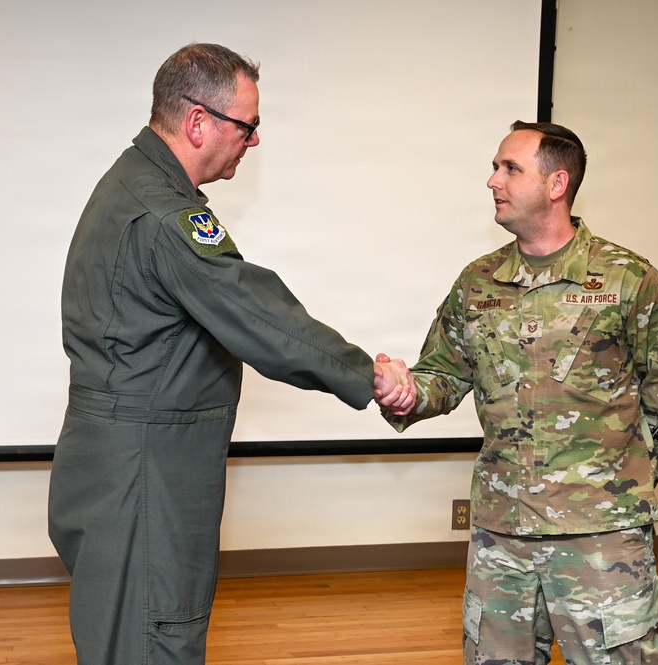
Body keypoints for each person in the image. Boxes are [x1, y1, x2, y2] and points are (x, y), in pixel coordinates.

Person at [47, 43, 412, 665]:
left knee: (126, 634)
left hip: (117, 458)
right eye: (248, 125)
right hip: (145, 469)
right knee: (154, 637)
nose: (255, 140)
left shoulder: (129, 183)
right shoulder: (165, 215)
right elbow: (257, 314)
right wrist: (367, 374)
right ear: (198, 121)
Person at [381, 121, 658, 665]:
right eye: (495, 167)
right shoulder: (478, 282)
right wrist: (405, 391)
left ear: (557, 184)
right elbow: (445, 374)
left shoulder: (627, 279)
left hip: (599, 536)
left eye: (510, 168)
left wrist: (617, 479)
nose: (493, 180)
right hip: (501, 535)